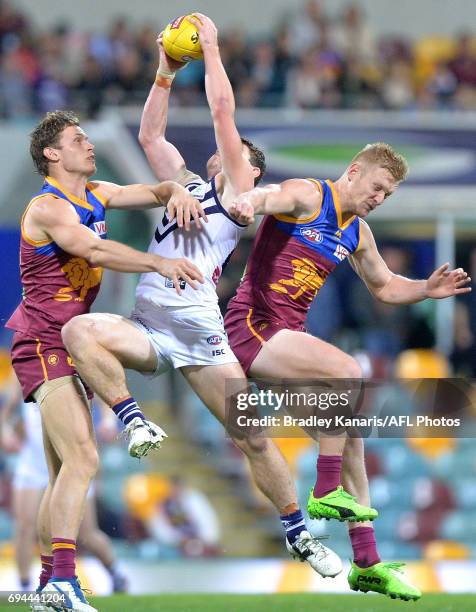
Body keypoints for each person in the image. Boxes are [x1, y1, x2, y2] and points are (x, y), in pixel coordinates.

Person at [61, 15, 343, 580]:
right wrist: (164, 73)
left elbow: (221, 114)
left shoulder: (240, 191)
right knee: (78, 332)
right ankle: (134, 419)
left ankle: (298, 533)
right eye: (223, 153)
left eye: (237, 153)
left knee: (252, 436)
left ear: (249, 168)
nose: (224, 154)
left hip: (201, 335)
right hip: (148, 324)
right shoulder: (185, 185)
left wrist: (212, 49)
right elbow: (149, 137)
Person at [225, 142, 471, 600]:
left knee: (351, 433)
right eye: (378, 187)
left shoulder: (357, 232)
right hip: (252, 327)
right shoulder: (309, 195)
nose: (380, 198)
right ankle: (324, 487)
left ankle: (367, 562)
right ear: (355, 171)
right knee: (346, 367)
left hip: (286, 341)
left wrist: (426, 289)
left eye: (388, 195)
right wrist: (250, 200)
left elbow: (385, 286)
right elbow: (271, 196)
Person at [5, 109, 204, 611]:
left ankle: (51, 583)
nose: (89, 146)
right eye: (78, 140)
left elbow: (155, 192)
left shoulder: (98, 192)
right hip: (44, 344)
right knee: (84, 459)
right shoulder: (47, 208)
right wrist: (158, 261)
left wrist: (176, 189)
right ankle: (63, 584)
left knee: (63, 474)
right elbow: (92, 251)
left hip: (73, 345)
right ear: (52, 154)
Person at [0, 378, 127, 594]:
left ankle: (115, 573)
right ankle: (23, 589)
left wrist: (107, 420)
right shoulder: (26, 362)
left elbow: (100, 391)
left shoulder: (71, 358)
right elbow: (6, 411)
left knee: (87, 534)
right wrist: (6, 431)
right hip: (33, 463)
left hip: (71, 462)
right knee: (23, 528)